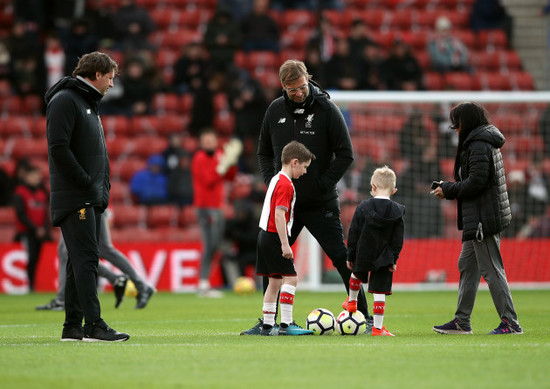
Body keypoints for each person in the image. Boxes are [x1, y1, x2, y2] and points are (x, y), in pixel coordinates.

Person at [242, 59, 372, 335]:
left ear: (307, 79)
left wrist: (323, 185)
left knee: (340, 256)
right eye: (291, 90)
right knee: (275, 258)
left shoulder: (327, 109)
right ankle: (269, 321)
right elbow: (263, 153)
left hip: (319, 202)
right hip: (285, 204)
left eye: (301, 87)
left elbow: (346, 153)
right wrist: (273, 182)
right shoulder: (274, 110)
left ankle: (363, 313)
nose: (298, 93)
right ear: (283, 88)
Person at [45, 51, 129, 342]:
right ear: (96, 75)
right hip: (77, 197)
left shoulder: (84, 102)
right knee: (86, 261)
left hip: (87, 196)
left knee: (77, 262)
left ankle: (72, 327)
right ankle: (94, 324)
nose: (111, 84)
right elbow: (58, 148)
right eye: (110, 78)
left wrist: (99, 191)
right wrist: (85, 184)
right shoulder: (66, 101)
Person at [431, 102, 523, 335]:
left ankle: (511, 323)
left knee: (492, 270)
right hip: (479, 216)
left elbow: (477, 182)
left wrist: (449, 189)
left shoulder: (479, 144)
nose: (455, 129)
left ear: (465, 122)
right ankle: (462, 321)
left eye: (457, 124)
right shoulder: (482, 141)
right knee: (467, 266)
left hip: (483, 217)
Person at [36, 211, 156, 311]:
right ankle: (62, 299)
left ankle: (136, 284)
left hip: (85, 205)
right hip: (79, 205)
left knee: (82, 251)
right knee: (66, 251)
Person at [257, 141, 315, 336]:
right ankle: (286, 324)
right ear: (294, 162)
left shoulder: (275, 179)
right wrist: (284, 244)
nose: (305, 172)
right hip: (274, 236)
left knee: (274, 282)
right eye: (305, 167)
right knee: (291, 278)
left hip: (264, 235)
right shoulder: (285, 184)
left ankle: (266, 326)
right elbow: (279, 214)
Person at [344, 166, 404, 337]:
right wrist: (394, 259)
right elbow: (398, 239)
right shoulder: (398, 210)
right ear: (394, 190)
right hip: (384, 257)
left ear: (373, 186)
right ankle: (377, 329)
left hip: (364, 251)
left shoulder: (363, 207)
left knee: (356, 275)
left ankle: (352, 302)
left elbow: (353, 233)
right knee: (379, 292)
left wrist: (351, 255)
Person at [191, 128, 240, 297]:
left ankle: (205, 282)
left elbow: (230, 177)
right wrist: (222, 166)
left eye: (211, 140)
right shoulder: (199, 158)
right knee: (210, 244)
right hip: (205, 207)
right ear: (201, 143)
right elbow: (208, 180)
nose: (208, 143)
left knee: (215, 244)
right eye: (205, 141)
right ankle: (203, 283)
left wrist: (231, 163)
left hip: (218, 207)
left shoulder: (219, 154)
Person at [13, 165, 50, 291]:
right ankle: (30, 285)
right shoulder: (20, 192)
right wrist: (35, 229)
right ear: (27, 177)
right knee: (31, 257)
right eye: (34, 176)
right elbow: (20, 214)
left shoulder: (42, 192)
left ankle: (35, 284)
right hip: (27, 232)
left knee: (38, 258)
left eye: (38, 176)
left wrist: (44, 228)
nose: (37, 179)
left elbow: (46, 212)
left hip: (40, 232)